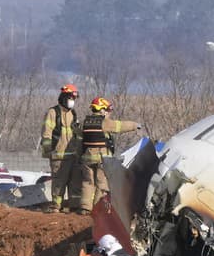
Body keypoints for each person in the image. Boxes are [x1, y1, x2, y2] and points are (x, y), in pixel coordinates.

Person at [78, 97, 141, 214]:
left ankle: (85, 207)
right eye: (107, 110)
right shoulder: (104, 122)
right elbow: (120, 126)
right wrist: (135, 125)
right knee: (101, 184)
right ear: (101, 110)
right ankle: (97, 209)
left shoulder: (84, 123)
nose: (108, 113)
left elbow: (78, 138)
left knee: (88, 182)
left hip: (87, 158)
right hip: (101, 159)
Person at [39, 84, 80, 213]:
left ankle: (74, 207)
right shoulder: (53, 112)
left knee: (75, 183)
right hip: (58, 156)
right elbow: (47, 133)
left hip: (73, 156)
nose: (72, 101)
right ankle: (56, 206)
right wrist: (48, 151)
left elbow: (77, 133)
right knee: (59, 182)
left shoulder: (73, 113)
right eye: (70, 98)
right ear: (64, 97)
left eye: (74, 98)